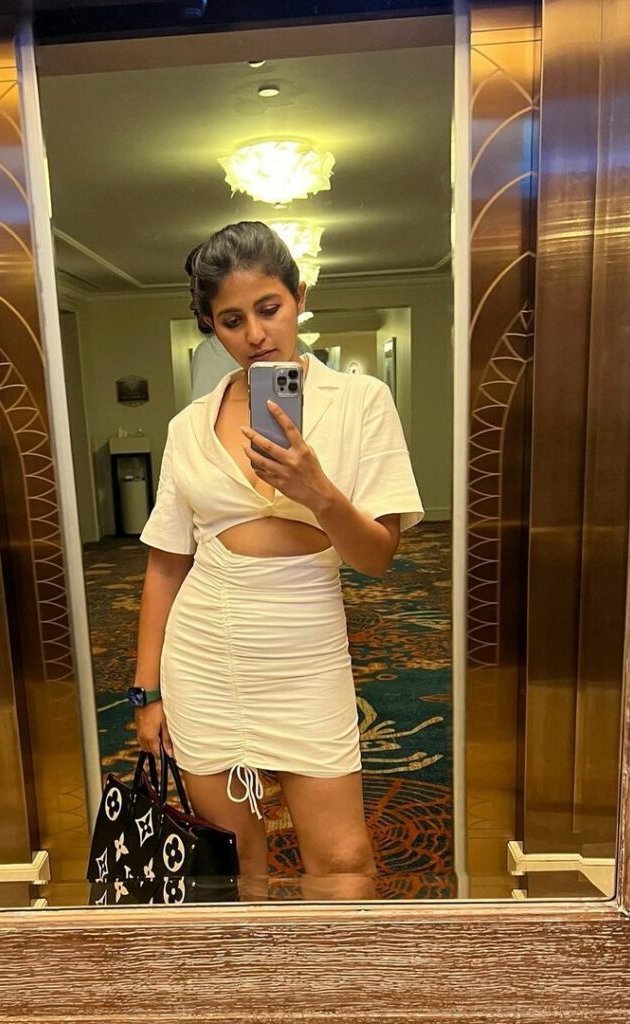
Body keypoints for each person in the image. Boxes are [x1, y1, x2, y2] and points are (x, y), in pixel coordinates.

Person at [129, 222, 424, 900]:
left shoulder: (361, 403)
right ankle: (251, 970)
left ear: (299, 297)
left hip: (306, 651)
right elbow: (166, 564)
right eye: (232, 320)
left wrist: (317, 492)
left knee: (344, 861)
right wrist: (147, 694)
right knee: (234, 864)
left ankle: (333, 975)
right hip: (205, 655)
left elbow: (376, 557)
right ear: (212, 327)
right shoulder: (187, 427)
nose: (256, 334)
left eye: (269, 308)